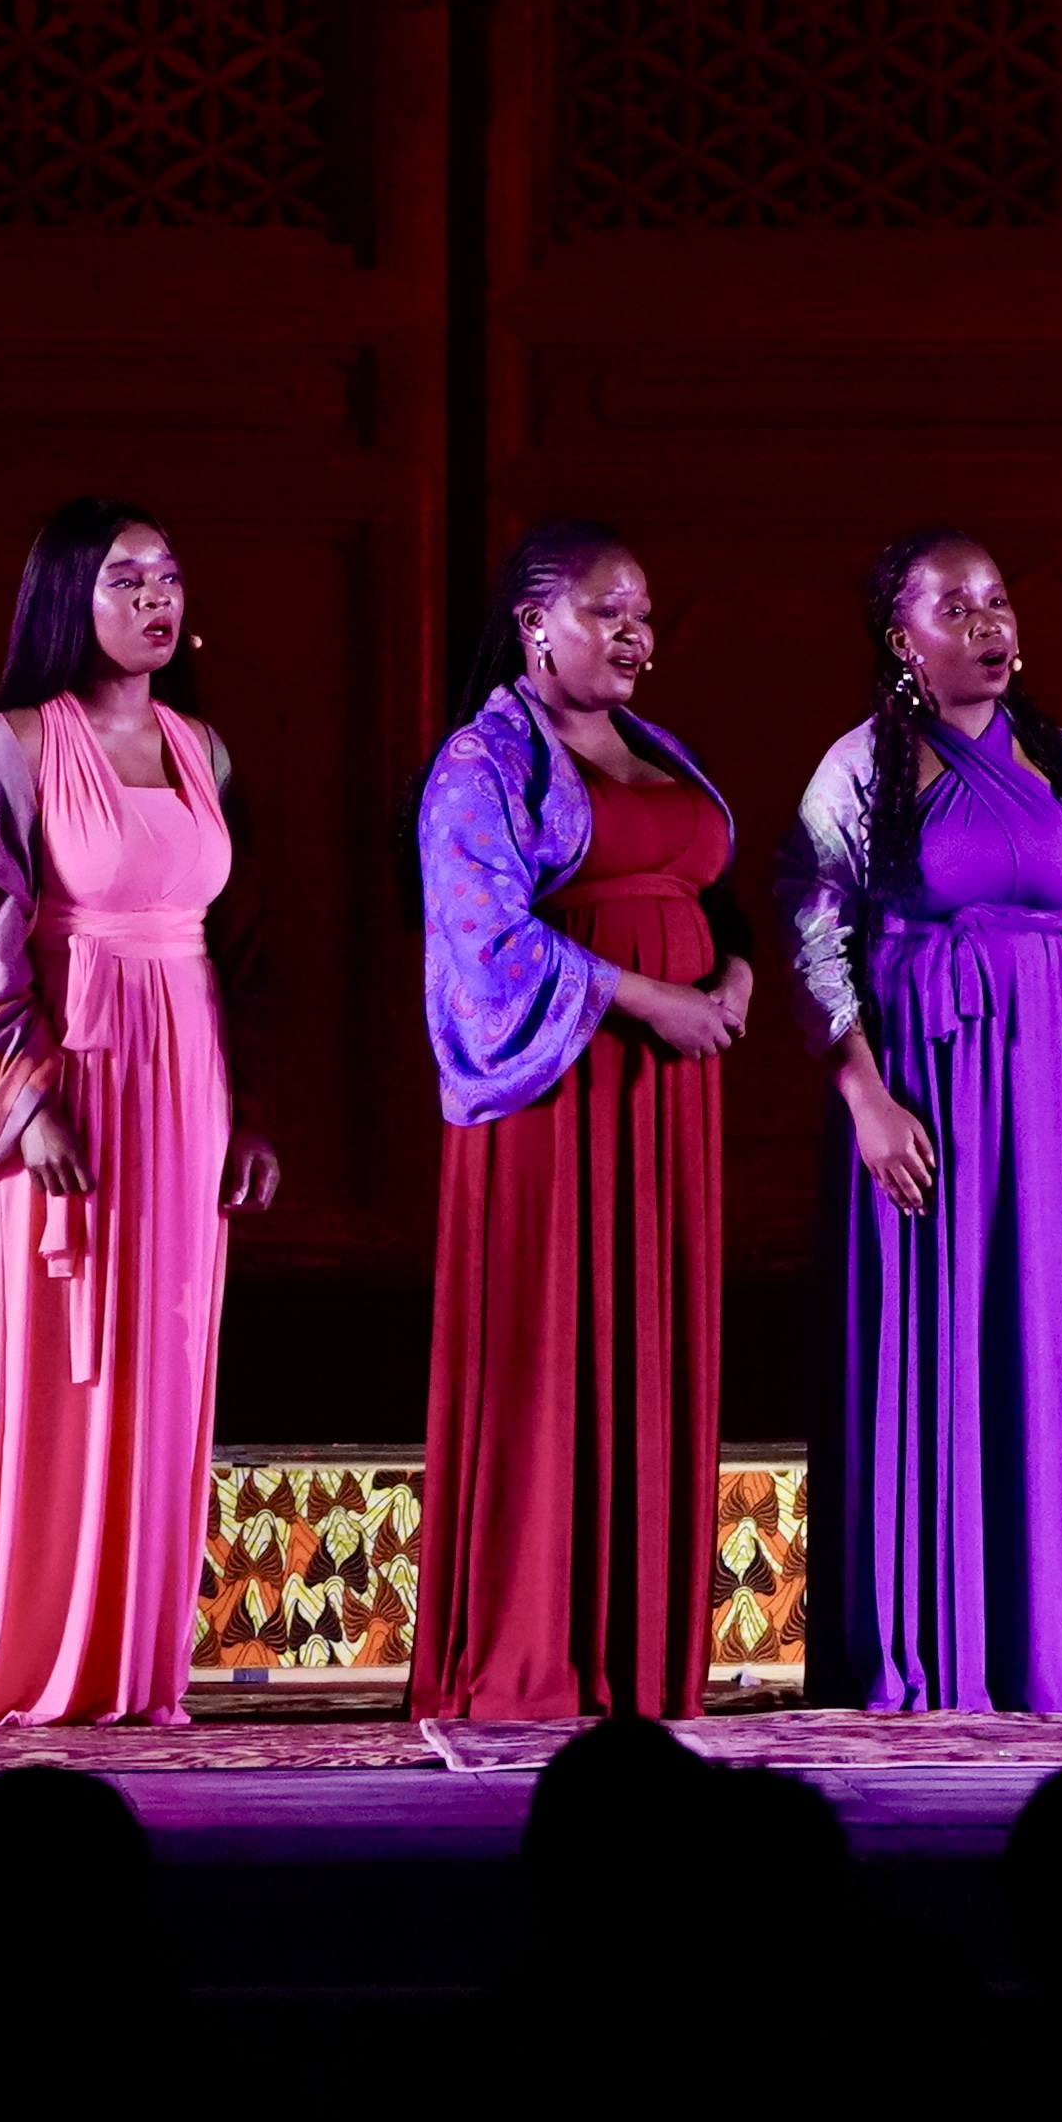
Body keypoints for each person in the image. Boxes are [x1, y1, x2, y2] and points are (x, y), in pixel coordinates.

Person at [0, 501, 278, 1727]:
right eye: (127, 577)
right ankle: (20, 1640)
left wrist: (246, 1113)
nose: (158, 598)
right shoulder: (17, 745)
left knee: (164, 1352)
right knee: (55, 1351)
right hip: (70, 1070)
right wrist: (24, 1092)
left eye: (171, 577)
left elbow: (242, 953)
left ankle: (130, 1662)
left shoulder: (210, 751)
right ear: (67, 597)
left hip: (184, 1070)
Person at [781, 528, 1062, 1715]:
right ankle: (914, 1642)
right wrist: (867, 1096)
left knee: (1036, 1340)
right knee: (923, 1345)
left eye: (999, 600)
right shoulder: (859, 767)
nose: (992, 623)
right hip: (924, 1096)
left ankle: (1034, 1644)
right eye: (958, 606)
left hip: (1054, 1091)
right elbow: (810, 932)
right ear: (904, 639)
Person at [410, 521, 751, 1722]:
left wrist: (736, 975)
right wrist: (648, 995)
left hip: (668, 1099)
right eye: (608, 610)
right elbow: (483, 939)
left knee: (651, 1348)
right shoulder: (483, 760)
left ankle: (641, 1656)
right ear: (533, 622)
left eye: (644, 611)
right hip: (560, 1099)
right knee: (550, 1353)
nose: (635, 633)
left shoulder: (656, 745)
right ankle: (525, 1654)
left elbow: (717, 889)